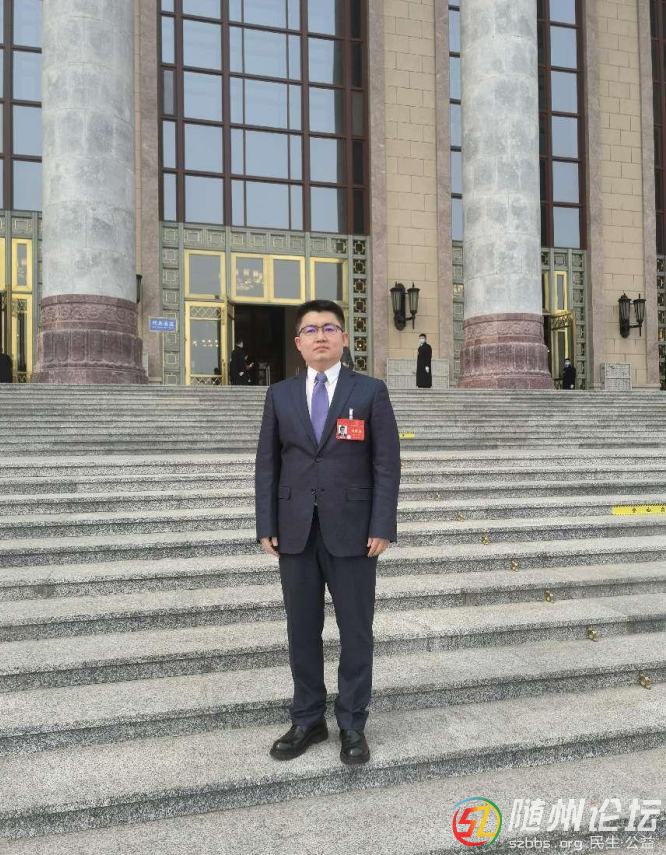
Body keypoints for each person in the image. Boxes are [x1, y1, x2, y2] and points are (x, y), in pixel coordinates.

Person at [255, 299, 401, 766]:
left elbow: (386, 464)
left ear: (343, 338)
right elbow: (267, 465)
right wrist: (266, 524)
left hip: (355, 533)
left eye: (329, 328)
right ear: (298, 342)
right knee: (302, 630)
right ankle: (308, 718)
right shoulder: (279, 395)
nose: (320, 336)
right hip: (295, 531)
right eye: (310, 329)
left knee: (356, 630)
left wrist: (382, 524)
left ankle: (352, 723)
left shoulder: (370, 391)